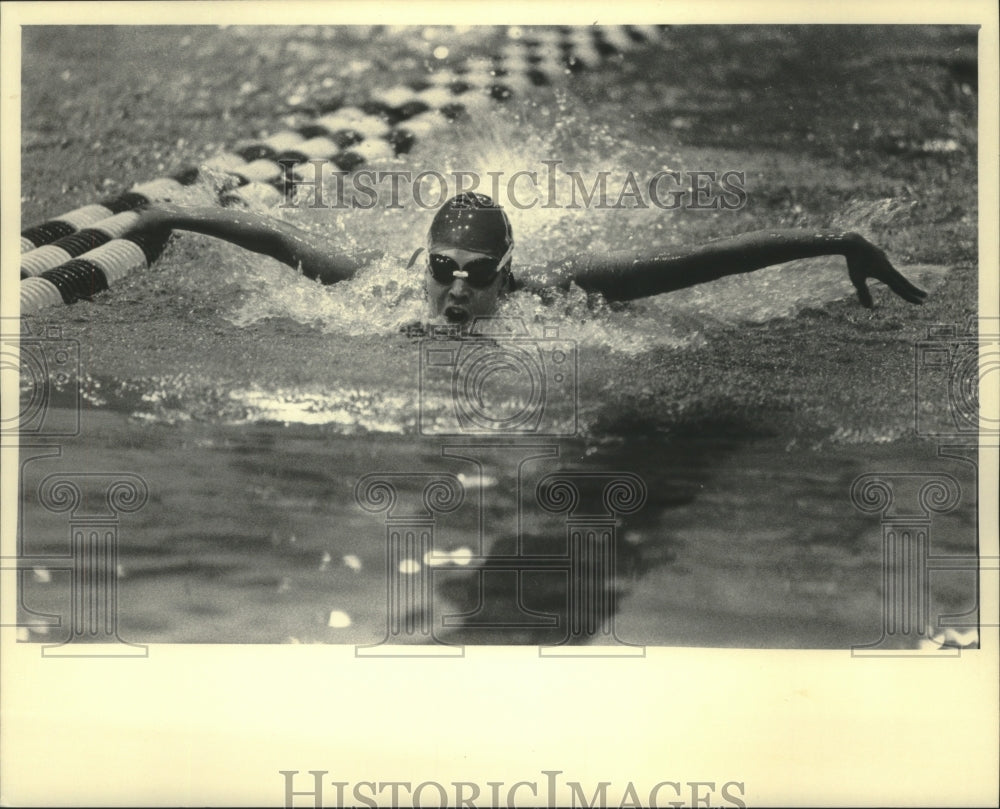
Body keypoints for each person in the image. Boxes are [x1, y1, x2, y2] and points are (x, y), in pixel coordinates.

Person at [127, 191, 926, 327]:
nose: (461, 288)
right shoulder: (371, 288)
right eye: (445, 269)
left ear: (509, 271)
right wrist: (168, 216)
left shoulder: (561, 298)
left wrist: (837, 240)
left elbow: (699, 261)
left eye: (478, 273)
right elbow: (272, 238)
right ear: (423, 263)